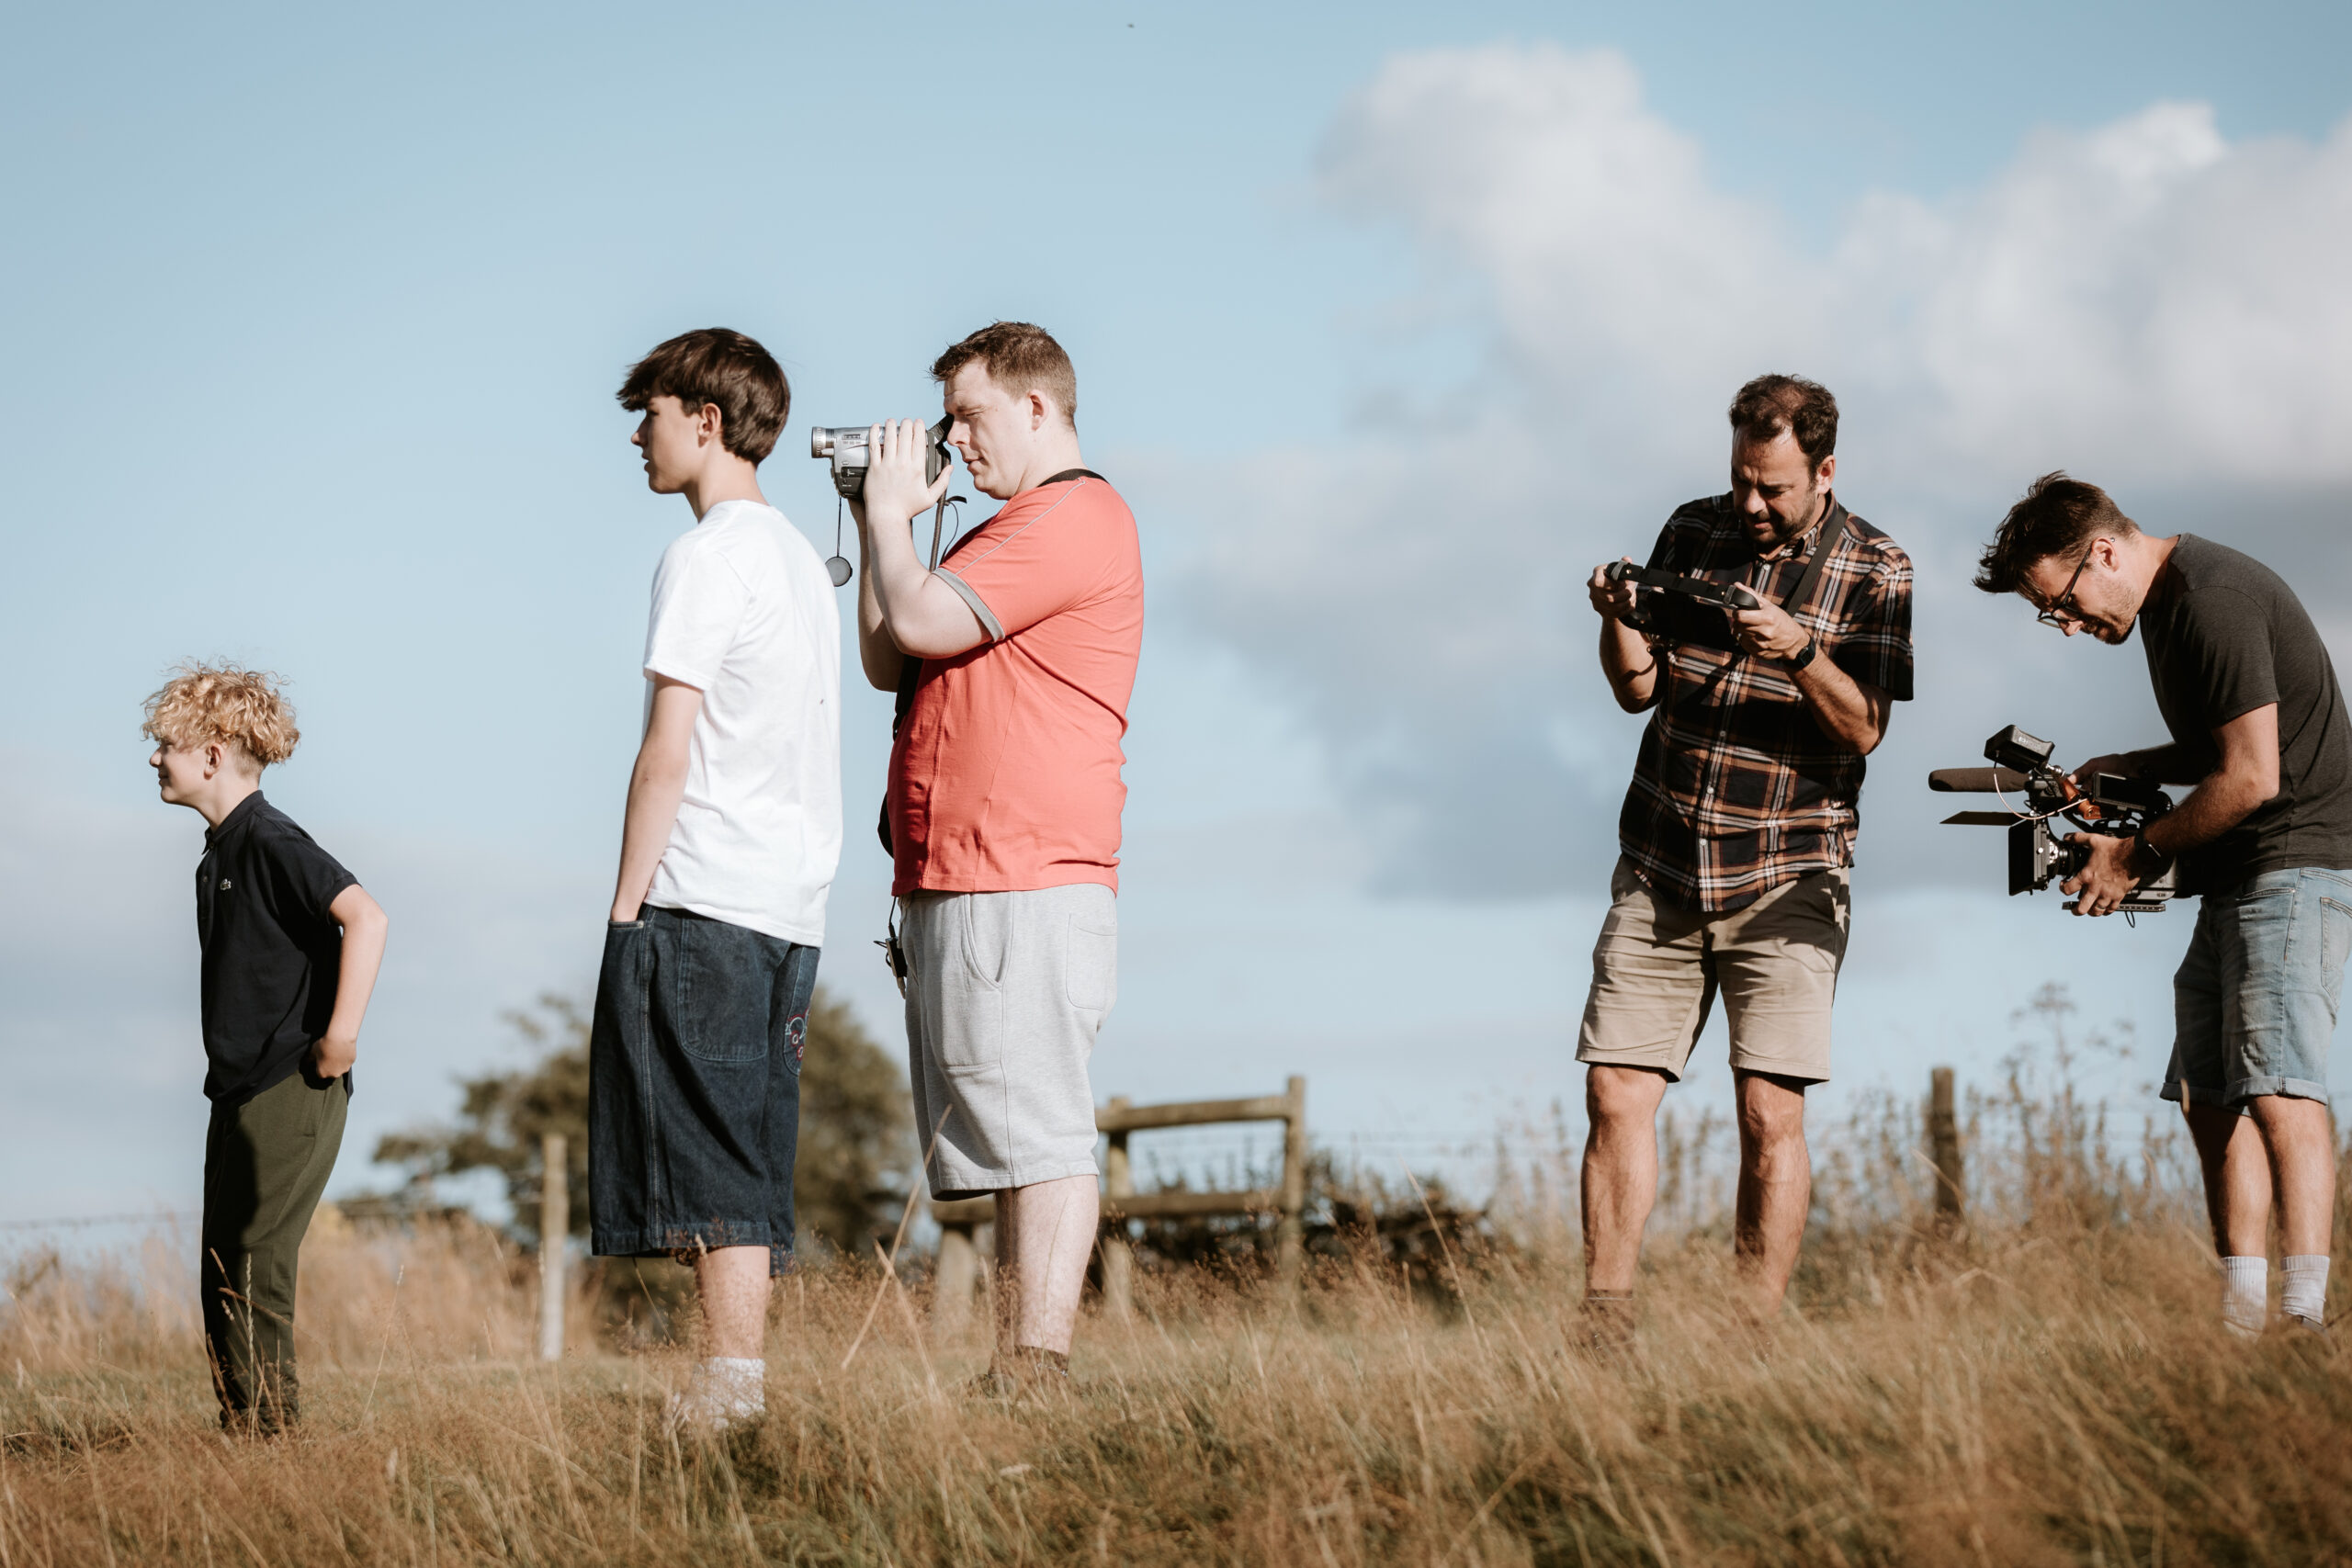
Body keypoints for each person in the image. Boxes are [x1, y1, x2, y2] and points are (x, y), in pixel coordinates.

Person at [1974, 474, 2352, 1337]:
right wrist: (2136, 763)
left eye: (2061, 602)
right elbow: (2229, 735)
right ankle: (2243, 1318)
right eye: (2049, 615)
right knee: (2210, 1092)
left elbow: (2253, 775)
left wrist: (2133, 856)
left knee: (2282, 1087)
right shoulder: (2167, 605)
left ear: (2103, 552)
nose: (2066, 626)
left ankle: (2304, 1319)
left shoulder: (2210, 601)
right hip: (2241, 874)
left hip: (2291, 866)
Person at [1578, 374, 1914, 1333]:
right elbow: (1636, 688)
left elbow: (1866, 732)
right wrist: (1614, 614)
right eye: (1741, 482)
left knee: (1770, 1113)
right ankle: (1604, 1321)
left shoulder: (1876, 566)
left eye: (1772, 488)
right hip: (1661, 855)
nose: (1751, 505)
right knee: (1614, 1091)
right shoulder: (1690, 529)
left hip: (1791, 870)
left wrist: (1801, 651)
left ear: (1824, 470)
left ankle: (1750, 1334)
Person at [852, 321, 1142, 1389]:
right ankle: (1022, 1365)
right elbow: (891, 653)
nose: (953, 441)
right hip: (970, 872)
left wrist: (892, 521)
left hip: (1020, 871)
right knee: (1008, 1130)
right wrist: (871, 525)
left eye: (969, 416)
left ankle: (1038, 1362)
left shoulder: (1071, 516)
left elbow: (923, 623)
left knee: (1042, 1124)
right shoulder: (1004, 529)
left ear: (1036, 408)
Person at [589, 327, 842, 1428]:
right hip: (791, 904)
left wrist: (623, 905)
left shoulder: (705, 555)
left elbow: (667, 746)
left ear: (705, 418)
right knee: (746, 1137)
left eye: (649, 413)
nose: (637, 437)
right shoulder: (794, 557)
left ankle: (733, 1386)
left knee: (705, 1143)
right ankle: (734, 1381)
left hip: (703, 890)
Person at [142, 661, 389, 1432]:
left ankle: (274, 1439)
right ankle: (243, 1435)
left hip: (291, 1085)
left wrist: (339, 1040)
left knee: (254, 1263)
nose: (154, 758)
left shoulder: (272, 839)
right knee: (223, 1267)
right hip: (239, 1091)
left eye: (165, 745)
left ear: (212, 753)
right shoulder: (221, 851)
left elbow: (368, 918)